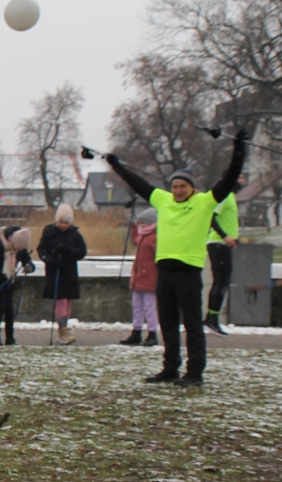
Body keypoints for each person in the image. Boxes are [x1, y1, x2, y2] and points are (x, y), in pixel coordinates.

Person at [105, 131, 248, 385]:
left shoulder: (205, 202)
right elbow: (137, 182)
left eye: (183, 186)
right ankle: (170, 368)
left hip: (188, 272)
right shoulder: (163, 200)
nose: (178, 190)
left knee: (192, 325)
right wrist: (115, 164)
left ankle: (195, 372)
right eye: (175, 186)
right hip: (165, 272)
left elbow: (229, 179)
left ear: (192, 188)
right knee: (168, 324)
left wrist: (238, 148)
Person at [38, 204, 87, 344]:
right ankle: (62, 329)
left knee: (68, 300)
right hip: (55, 272)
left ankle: (64, 328)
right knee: (61, 300)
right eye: (61, 222)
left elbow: (82, 252)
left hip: (69, 272)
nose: (63, 225)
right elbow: (41, 250)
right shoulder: (49, 232)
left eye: (66, 223)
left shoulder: (75, 235)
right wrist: (51, 260)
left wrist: (69, 250)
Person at [0, 227, 33, 346]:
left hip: (10, 282)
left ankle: (10, 337)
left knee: (9, 309)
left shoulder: (20, 247)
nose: (20, 250)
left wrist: (29, 267)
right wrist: (3, 274)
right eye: (19, 247)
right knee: (0, 306)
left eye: (22, 248)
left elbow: (27, 260)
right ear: (14, 242)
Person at [204, 184, 239, 336]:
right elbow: (211, 217)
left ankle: (210, 317)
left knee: (220, 281)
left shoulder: (231, 196)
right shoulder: (225, 196)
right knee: (221, 282)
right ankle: (212, 318)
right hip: (219, 244)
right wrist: (225, 236)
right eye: (240, 177)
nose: (243, 180)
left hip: (223, 244)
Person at [121, 208, 158, 346]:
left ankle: (152, 333)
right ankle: (136, 331)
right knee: (137, 306)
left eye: (143, 223)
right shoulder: (143, 236)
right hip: (139, 279)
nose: (141, 225)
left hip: (149, 278)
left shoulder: (154, 238)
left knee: (149, 307)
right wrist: (133, 227)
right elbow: (135, 239)